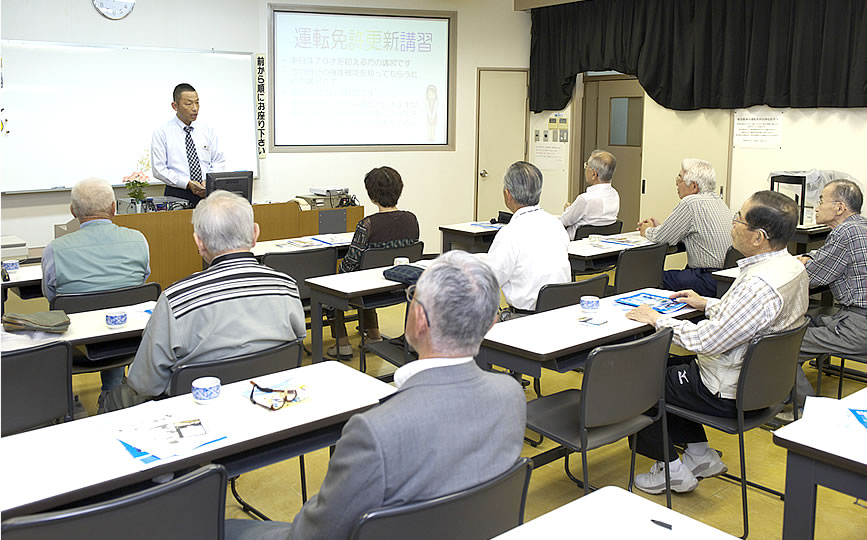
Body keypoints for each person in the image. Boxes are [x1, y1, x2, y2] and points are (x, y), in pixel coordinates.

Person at [226, 250, 526, 540]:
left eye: (413, 296)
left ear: (419, 318)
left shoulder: (375, 431)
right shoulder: (510, 395)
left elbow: (314, 535)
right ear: (491, 323)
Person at [626, 190, 808, 494]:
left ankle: (670, 471)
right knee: (662, 367)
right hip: (761, 385)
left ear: (758, 237)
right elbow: (750, 319)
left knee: (636, 381)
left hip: (726, 389)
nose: (732, 224)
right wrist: (706, 303)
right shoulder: (790, 268)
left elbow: (706, 340)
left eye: (739, 219)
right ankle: (700, 455)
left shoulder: (757, 285)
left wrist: (656, 319)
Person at [104, 191, 305, 411]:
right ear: (255, 233)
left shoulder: (176, 300)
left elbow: (145, 383)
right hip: (269, 405)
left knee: (114, 399)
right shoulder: (287, 286)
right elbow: (296, 342)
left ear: (198, 242)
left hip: (196, 413)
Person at [41, 178, 151, 402]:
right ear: (113, 208)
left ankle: (67, 402)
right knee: (116, 309)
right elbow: (140, 283)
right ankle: (111, 395)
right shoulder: (138, 240)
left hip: (76, 347)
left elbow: (50, 296)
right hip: (130, 341)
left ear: (73, 211)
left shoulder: (54, 250)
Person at [792, 180, 867, 415]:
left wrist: (804, 262)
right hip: (855, 318)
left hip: (857, 326)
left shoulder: (844, 233)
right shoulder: (860, 226)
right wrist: (810, 257)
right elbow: (825, 257)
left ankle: (805, 409)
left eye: (822, 200)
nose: (817, 206)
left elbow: (813, 277)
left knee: (781, 345)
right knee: (808, 321)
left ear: (839, 207)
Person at [327, 166, 419, 359]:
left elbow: (350, 263)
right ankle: (373, 335)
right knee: (370, 275)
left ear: (371, 195)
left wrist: (334, 277)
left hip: (368, 291)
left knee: (329, 287)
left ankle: (342, 343)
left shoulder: (367, 225)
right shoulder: (411, 219)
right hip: (400, 287)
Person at [485, 161, 571, 317]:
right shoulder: (556, 224)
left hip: (524, 320)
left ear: (508, 194)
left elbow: (489, 281)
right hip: (560, 314)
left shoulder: (510, 233)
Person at [637, 159, 732, 297]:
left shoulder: (691, 202)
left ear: (693, 186)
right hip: (723, 279)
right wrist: (661, 227)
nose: (676, 183)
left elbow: (661, 238)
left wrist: (646, 230)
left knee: (648, 277)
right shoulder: (719, 202)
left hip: (706, 278)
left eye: (679, 179)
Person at [151, 83, 225, 206]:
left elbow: (218, 160)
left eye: (197, 102)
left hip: (207, 192)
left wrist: (208, 181)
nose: (195, 108)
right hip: (177, 193)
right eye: (188, 104)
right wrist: (187, 183)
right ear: (175, 106)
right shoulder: (163, 132)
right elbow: (159, 169)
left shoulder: (207, 129)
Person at [561, 149, 620, 239]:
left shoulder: (586, 199)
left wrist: (568, 209)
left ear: (593, 174)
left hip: (575, 244)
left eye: (586, 166)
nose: (585, 169)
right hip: (603, 243)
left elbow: (564, 221)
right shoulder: (615, 195)